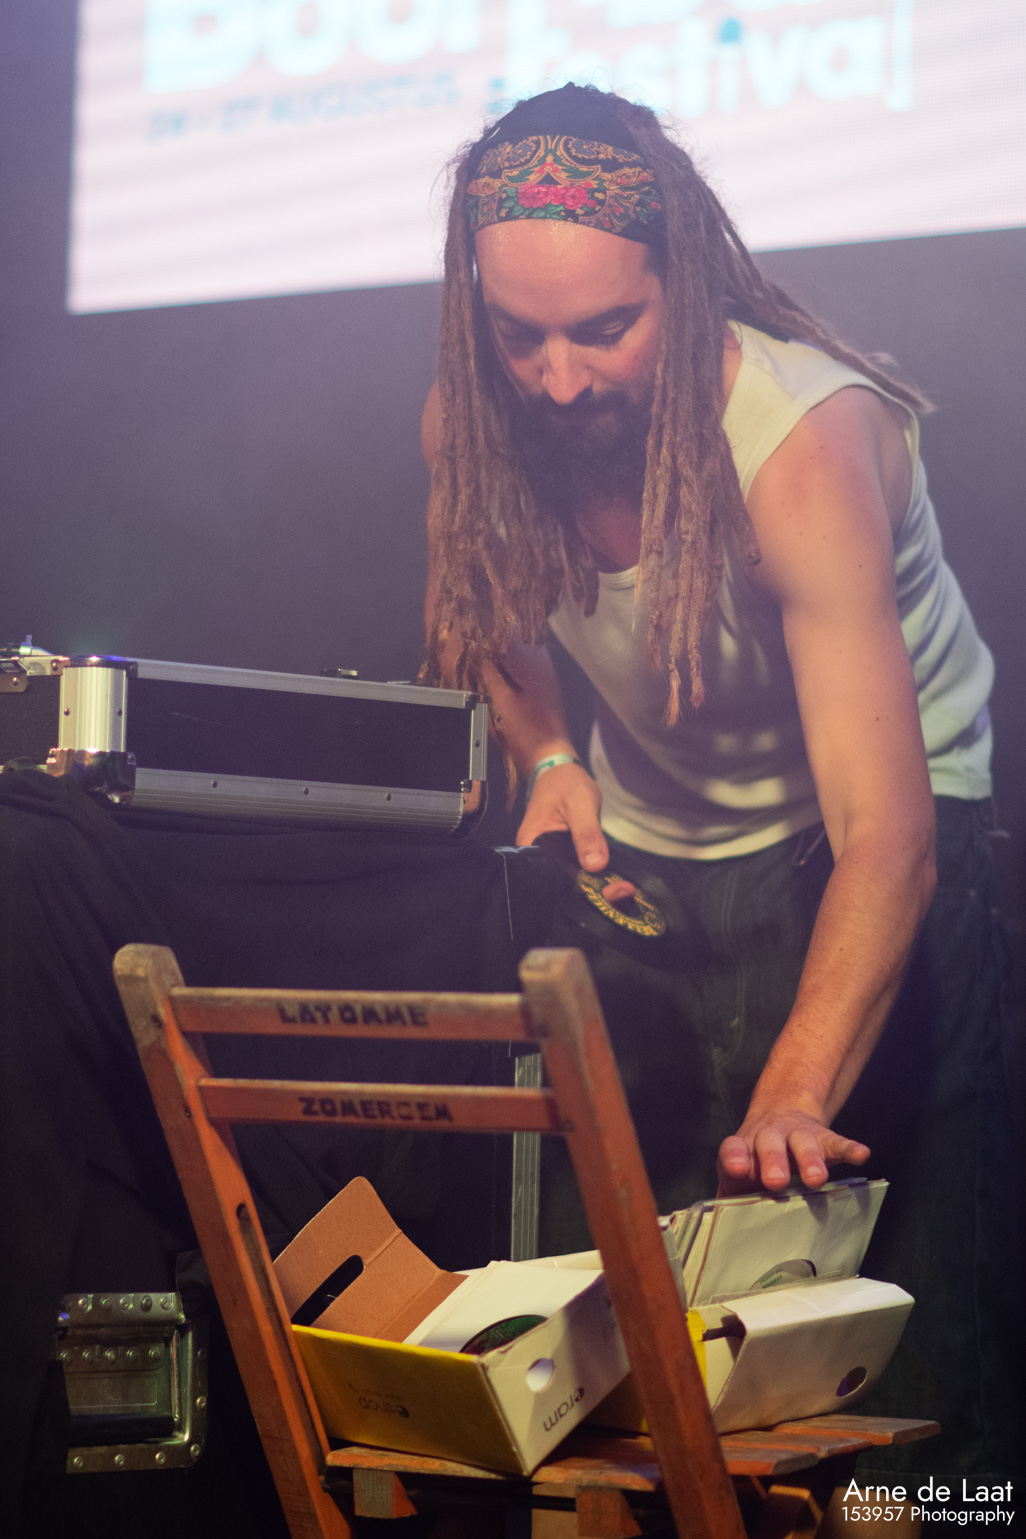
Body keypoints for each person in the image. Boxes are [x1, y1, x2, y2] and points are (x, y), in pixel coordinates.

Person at [420, 84, 1021, 1482]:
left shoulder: (802, 442)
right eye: (520, 336)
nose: (558, 379)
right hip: (655, 862)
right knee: (623, 1357)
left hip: (875, 845)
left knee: (904, 1371)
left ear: (679, 284)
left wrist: (798, 1089)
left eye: (603, 330)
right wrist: (551, 758)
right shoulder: (475, 420)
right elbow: (489, 611)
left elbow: (887, 834)